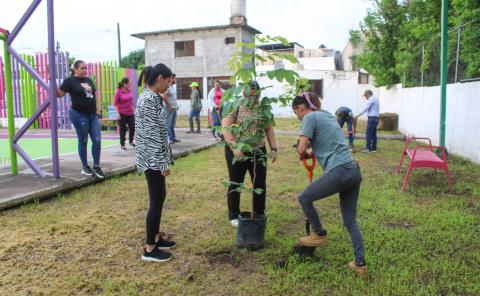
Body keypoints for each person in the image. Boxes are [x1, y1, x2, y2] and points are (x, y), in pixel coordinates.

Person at [292, 94, 366, 276]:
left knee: (304, 198)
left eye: (296, 113)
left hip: (339, 171)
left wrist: (301, 151)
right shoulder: (326, 115)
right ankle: (360, 264)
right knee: (350, 221)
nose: (298, 117)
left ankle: (319, 233)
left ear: (301, 108)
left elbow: (301, 148)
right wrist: (310, 154)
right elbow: (327, 144)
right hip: (353, 170)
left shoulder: (309, 117)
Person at [221, 81, 278, 228]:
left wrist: (273, 148)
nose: (254, 99)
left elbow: (269, 129)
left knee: (259, 183)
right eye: (251, 96)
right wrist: (234, 146)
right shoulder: (235, 106)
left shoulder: (263, 109)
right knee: (236, 182)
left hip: (258, 151)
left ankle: (259, 212)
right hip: (237, 150)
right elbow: (225, 127)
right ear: (244, 93)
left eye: (257, 95)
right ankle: (234, 215)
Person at [135, 64, 176, 262]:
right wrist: (162, 164)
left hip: (153, 156)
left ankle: (156, 237)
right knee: (156, 200)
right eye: (168, 81)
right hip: (151, 158)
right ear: (160, 78)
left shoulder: (151, 97)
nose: (169, 85)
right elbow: (152, 136)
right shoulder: (149, 100)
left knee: (159, 198)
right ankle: (150, 248)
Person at [56, 60, 105, 179]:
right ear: (75, 69)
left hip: (92, 115)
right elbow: (59, 94)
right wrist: (52, 81)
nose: (84, 70)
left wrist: (98, 110)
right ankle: (85, 166)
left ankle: (96, 166)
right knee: (83, 140)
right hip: (78, 115)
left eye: (85, 68)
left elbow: (94, 95)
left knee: (97, 140)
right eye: (82, 68)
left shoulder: (88, 80)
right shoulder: (70, 81)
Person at [114, 77, 135, 150]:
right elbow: (115, 104)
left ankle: (131, 141)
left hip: (131, 112)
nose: (130, 85)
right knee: (123, 129)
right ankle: (122, 144)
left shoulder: (130, 90)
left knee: (132, 127)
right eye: (129, 83)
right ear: (124, 84)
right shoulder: (118, 92)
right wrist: (117, 113)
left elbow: (130, 101)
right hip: (122, 113)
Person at [162, 74, 180, 143]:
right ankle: (167, 139)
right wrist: (169, 106)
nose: (176, 80)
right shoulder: (168, 86)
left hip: (173, 108)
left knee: (172, 124)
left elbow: (173, 97)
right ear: (171, 79)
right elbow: (164, 96)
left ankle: (172, 137)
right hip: (168, 108)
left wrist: (176, 105)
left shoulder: (172, 87)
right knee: (168, 124)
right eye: (175, 78)